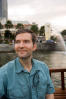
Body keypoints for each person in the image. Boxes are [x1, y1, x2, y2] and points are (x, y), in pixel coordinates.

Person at [0, 29, 55, 99]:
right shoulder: (3, 73)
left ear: (34, 46)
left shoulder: (43, 67)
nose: (21, 46)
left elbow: (49, 93)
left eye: (26, 41)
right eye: (17, 42)